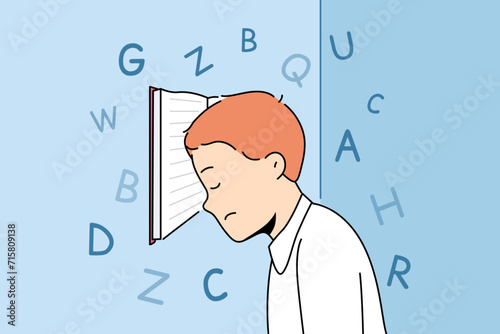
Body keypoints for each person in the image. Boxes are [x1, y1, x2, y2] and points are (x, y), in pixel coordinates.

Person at [184, 91, 387, 333]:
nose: (209, 204)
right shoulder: (288, 250)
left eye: (217, 183)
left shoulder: (322, 243)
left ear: (274, 165)